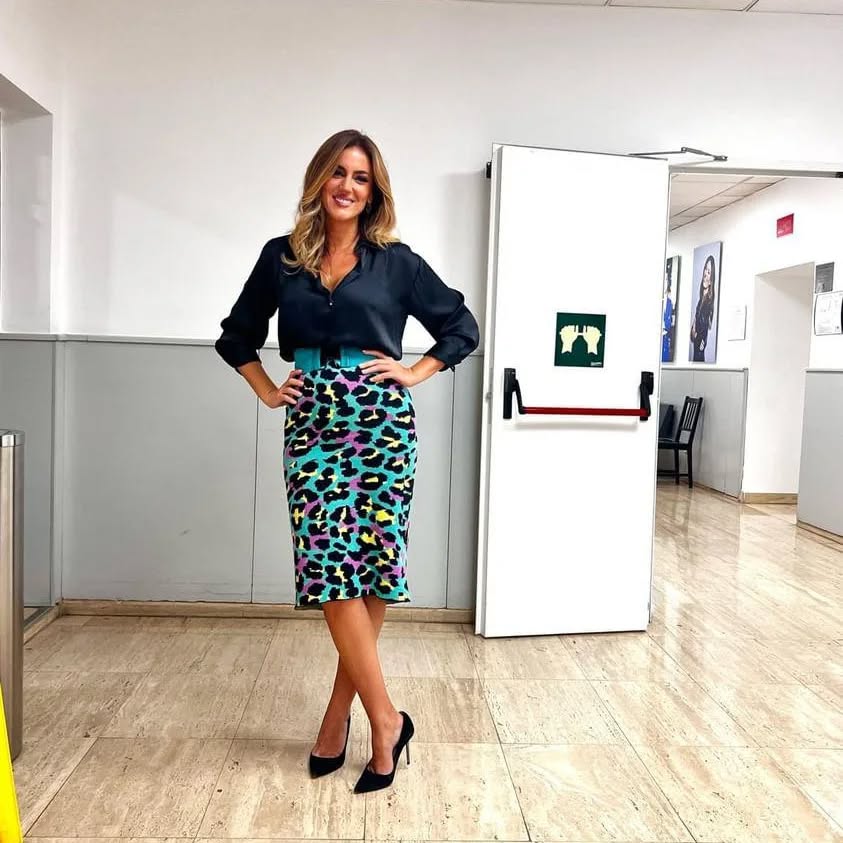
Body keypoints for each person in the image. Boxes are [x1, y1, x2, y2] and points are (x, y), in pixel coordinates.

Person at [214, 129, 479, 794]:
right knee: (329, 571)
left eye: (360, 177)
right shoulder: (281, 258)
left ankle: (337, 719)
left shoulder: (397, 263)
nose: (347, 186)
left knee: (370, 572)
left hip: (380, 423)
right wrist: (268, 390)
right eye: (338, 172)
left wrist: (415, 371)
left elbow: (461, 327)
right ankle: (386, 719)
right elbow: (235, 336)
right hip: (311, 423)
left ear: (373, 191)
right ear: (319, 180)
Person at [690, 255, 716, 363]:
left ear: (711, 279)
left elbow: (705, 327)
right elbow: (696, 321)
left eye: (709, 272)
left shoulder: (709, 301)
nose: (705, 273)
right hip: (696, 348)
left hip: (699, 349)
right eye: (705, 269)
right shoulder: (702, 298)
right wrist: (693, 329)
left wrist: (700, 339)